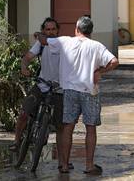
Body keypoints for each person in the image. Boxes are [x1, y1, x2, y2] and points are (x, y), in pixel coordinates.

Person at [37, 16, 118, 175]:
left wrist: (39, 35)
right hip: (89, 91)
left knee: (68, 127)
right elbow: (114, 61)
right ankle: (89, 165)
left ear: (77, 29)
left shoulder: (65, 41)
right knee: (90, 128)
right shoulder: (96, 46)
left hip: (69, 91)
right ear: (91, 31)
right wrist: (99, 71)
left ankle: (65, 165)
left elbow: (44, 41)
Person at [12, 17, 68, 170]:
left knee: (61, 127)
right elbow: (27, 57)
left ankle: (62, 161)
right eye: (47, 29)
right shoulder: (41, 45)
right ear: (44, 31)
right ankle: (17, 142)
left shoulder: (64, 45)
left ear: (58, 30)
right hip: (41, 85)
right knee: (24, 112)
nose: (50, 32)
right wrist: (24, 67)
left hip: (59, 89)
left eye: (53, 29)